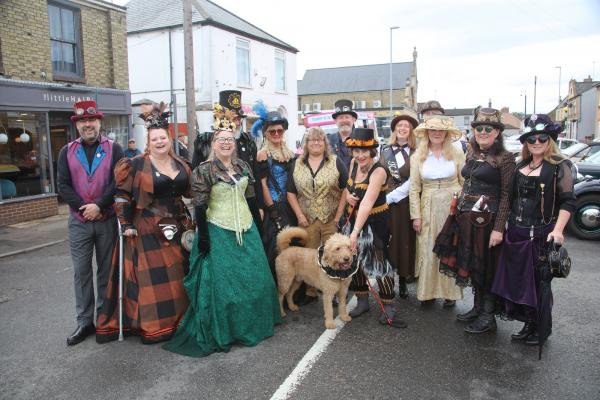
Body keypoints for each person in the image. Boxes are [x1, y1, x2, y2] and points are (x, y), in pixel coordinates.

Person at [163, 104, 280, 357]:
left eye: (229, 139)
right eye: (221, 140)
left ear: (234, 143)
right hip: (217, 230)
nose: (226, 143)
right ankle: (227, 330)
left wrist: (259, 230)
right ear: (213, 143)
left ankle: (252, 325)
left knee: (255, 280)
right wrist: (203, 237)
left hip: (246, 229)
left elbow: (251, 201)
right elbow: (201, 207)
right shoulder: (204, 171)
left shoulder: (243, 167)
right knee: (225, 285)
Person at [95, 102, 190, 344]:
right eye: (154, 138)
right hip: (148, 227)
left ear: (169, 138)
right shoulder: (135, 164)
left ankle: (180, 320)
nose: (160, 142)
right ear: (148, 142)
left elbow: (190, 192)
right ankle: (155, 325)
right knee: (155, 280)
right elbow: (121, 195)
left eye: (163, 137)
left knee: (178, 275)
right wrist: (125, 223)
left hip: (178, 225)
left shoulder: (179, 163)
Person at [492, 114, 575, 346]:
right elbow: (510, 198)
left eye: (542, 138)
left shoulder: (561, 167)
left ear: (551, 139)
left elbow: (568, 202)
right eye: (531, 139)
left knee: (539, 284)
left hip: (541, 234)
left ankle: (541, 328)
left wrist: (558, 230)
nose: (537, 143)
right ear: (526, 143)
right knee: (519, 282)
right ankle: (528, 323)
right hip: (516, 233)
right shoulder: (520, 165)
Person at [434, 108, 515, 333]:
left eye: (488, 128)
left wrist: (499, 229)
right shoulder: (472, 153)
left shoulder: (505, 158)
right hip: (466, 217)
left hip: (487, 221)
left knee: (486, 267)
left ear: (497, 132)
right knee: (472, 264)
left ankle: (488, 317)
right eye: (478, 128)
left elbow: (508, 195)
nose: (483, 131)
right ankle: (478, 308)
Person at [57, 100, 124, 346]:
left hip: (106, 219)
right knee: (81, 272)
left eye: (92, 120)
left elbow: (118, 182)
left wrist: (100, 206)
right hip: (79, 221)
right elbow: (62, 185)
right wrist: (84, 209)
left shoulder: (114, 148)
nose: (88, 124)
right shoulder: (67, 151)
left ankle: (105, 319)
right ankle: (85, 321)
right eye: (83, 121)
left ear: (99, 122)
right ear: (77, 125)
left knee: (106, 271)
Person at [340, 128, 406, 328]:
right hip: (353, 219)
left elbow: (367, 203)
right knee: (355, 261)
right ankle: (362, 301)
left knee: (379, 262)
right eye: (356, 151)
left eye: (364, 151)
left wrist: (354, 233)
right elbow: (347, 187)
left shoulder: (379, 171)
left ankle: (388, 305)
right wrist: (348, 196)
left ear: (372, 151)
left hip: (375, 221)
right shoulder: (352, 163)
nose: (359, 155)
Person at [287, 126, 348, 304]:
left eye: (319, 139)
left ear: (325, 143)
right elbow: (290, 192)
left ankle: (336, 292)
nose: (315, 143)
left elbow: (345, 189)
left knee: (334, 257)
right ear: (306, 144)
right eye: (312, 140)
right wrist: (299, 215)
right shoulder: (297, 163)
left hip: (331, 218)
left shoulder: (335, 161)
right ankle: (311, 292)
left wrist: (337, 217)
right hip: (307, 219)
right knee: (311, 257)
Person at [409, 115, 465, 307]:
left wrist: (463, 209)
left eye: (441, 130)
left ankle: (450, 293)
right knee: (428, 248)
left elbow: (465, 181)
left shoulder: (457, 153)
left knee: (451, 246)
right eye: (433, 130)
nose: (437, 133)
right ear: (427, 133)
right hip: (428, 206)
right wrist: (415, 216)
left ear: (446, 133)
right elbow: (414, 188)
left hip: (453, 205)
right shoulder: (418, 156)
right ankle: (429, 293)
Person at [192, 91, 262, 229]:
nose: (236, 123)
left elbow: (255, 178)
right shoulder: (204, 141)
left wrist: (259, 207)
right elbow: (197, 181)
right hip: (214, 215)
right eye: (233, 118)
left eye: (238, 119)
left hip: (245, 211)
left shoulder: (248, 142)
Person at [380, 108, 419, 299]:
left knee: (404, 241)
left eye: (407, 126)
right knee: (387, 240)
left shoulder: (417, 152)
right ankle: (387, 281)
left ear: (411, 131)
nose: (403, 128)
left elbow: (416, 179)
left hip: (405, 202)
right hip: (385, 202)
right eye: (399, 125)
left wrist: (393, 195)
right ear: (394, 129)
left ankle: (403, 280)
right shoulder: (384, 150)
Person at [254, 109, 297, 278]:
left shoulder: (290, 153)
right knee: (277, 250)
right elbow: (263, 185)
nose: (276, 134)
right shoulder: (263, 154)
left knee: (294, 246)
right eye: (272, 131)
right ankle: (277, 293)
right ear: (266, 133)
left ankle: (294, 293)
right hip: (275, 207)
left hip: (291, 206)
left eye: (280, 130)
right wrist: (272, 210)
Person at [328, 99, 357, 169]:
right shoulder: (328, 141)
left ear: (354, 119)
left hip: (356, 179)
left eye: (347, 117)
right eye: (340, 118)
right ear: (335, 121)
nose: (344, 120)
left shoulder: (361, 139)